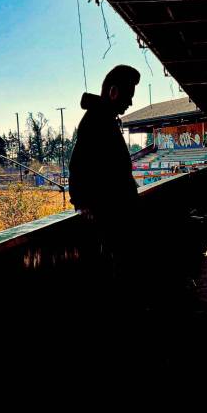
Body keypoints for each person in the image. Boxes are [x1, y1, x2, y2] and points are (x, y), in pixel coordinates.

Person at [68, 65, 141, 277]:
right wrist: (81, 203)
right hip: (111, 219)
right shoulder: (95, 121)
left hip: (117, 216)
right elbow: (78, 165)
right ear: (114, 92)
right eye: (128, 96)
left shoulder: (104, 119)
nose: (130, 102)